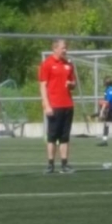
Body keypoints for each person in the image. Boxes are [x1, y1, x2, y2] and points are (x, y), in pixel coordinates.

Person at [39, 39, 77, 174]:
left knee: (65, 136)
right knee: (52, 136)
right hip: (54, 105)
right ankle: (50, 164)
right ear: (55, 48)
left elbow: (73, 84)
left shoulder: (68, 64)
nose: (65, 50)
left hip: (68, 104)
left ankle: (64, 164)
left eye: (66, 48)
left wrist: (71, 84)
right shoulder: (47, 64)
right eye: (63, 48)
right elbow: (43, 85)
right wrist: (46, 104)